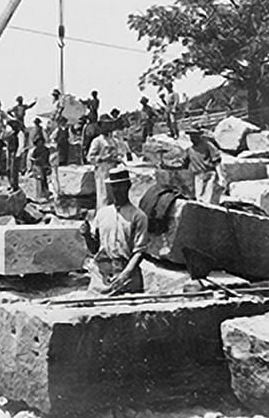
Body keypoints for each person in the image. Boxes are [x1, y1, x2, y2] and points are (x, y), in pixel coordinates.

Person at [79, 167, 149, 295]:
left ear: (128, 186)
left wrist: (125, 274)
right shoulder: (102, 214)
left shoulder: (138, 216)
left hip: (127, 276)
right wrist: (87, 235)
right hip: (102, 277)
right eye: (114, 186)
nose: (117, 190)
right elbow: (94, 249)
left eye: (121, 186)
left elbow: (140, 252)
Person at [164, 128, 225, 204]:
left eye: (194, 136)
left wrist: (221, 176)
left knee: (208, 198)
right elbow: (183, 163)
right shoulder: (190, 150)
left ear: (198, 136)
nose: (192, 138)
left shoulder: (207, 146)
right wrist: (169, 165)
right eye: (191, 136)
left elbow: (217, 160)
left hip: (209, 174)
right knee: (199, 198)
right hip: (198, 176)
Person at [86, 114, 120, 208]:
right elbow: (90, 157)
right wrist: (103, 158)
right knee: (103, 195)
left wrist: (116, 158)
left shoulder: (113, 140)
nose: (108, 127)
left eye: (109, 124)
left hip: (113, 169)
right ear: (101, 126)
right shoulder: (97, 141)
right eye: (106, 125)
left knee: (113, 195)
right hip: (102, 170)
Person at [4, 120, 20, 191]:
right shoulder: (11, 134)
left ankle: (14, 186)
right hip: (9, 152)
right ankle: (11, 184)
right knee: (8, 169)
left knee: (13, 170)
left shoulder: (17, 136)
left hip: (14, 153)